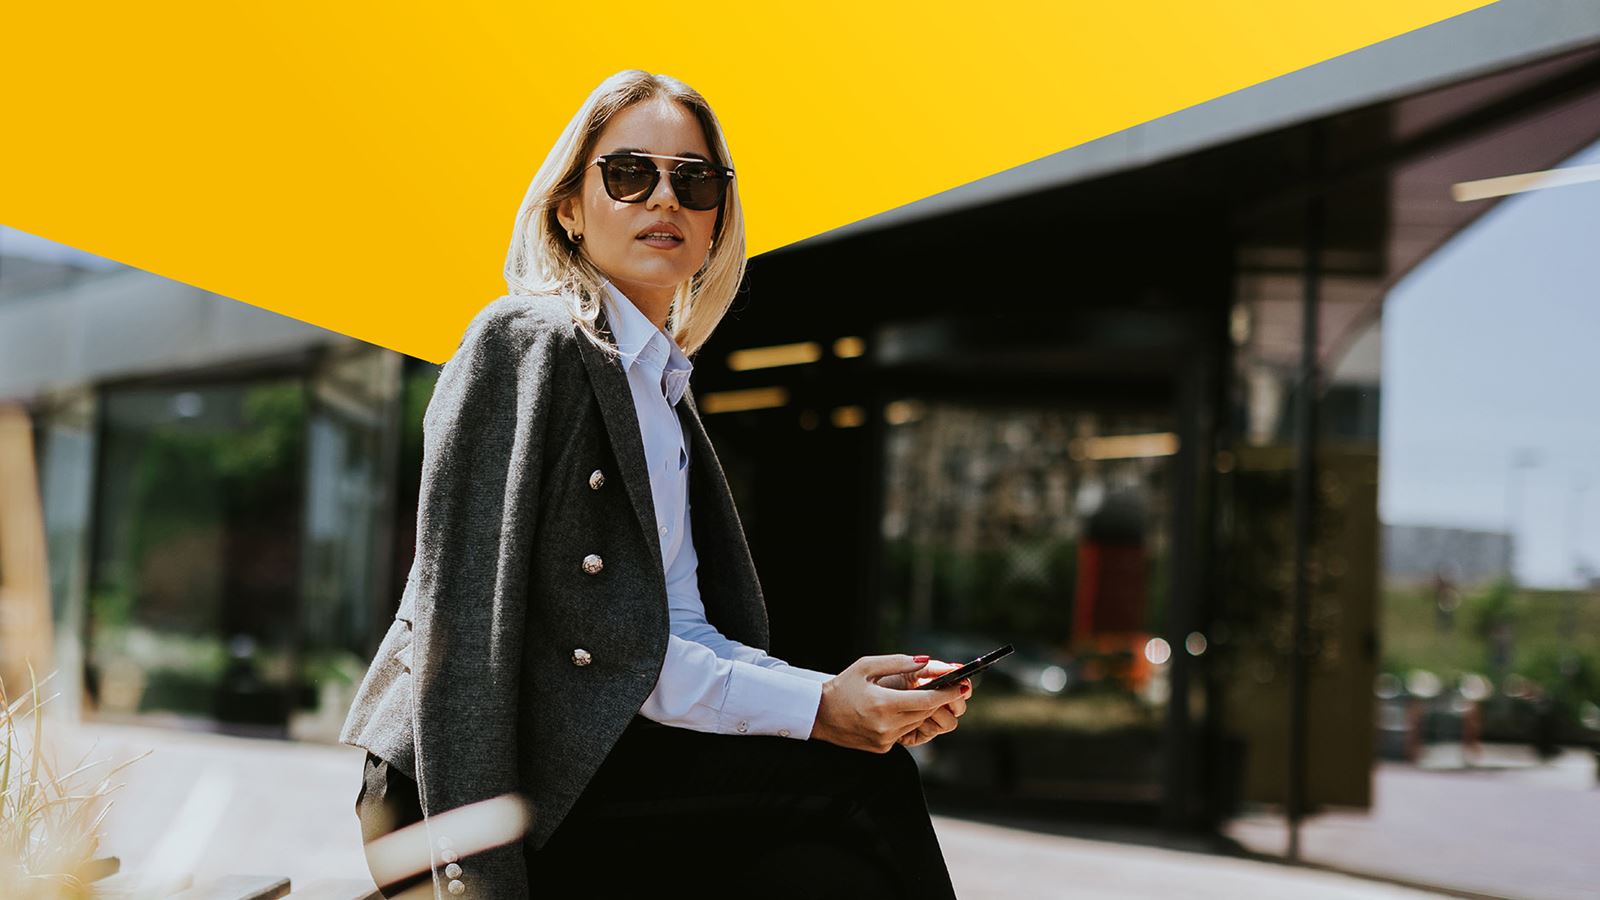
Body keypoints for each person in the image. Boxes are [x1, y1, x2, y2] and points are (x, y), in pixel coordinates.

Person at [340, 69, 972, 899]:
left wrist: (834, 698)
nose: (664, 200)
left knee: (828, 834)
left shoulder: (659, 390)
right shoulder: (526, 340)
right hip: (474, 791)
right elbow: (462, 626)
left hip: (593, 767)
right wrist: (468, 872)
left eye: (694, 180)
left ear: (718, 218)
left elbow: (671, 638)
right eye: (629, 173)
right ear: (570, 206)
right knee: (854, 792)